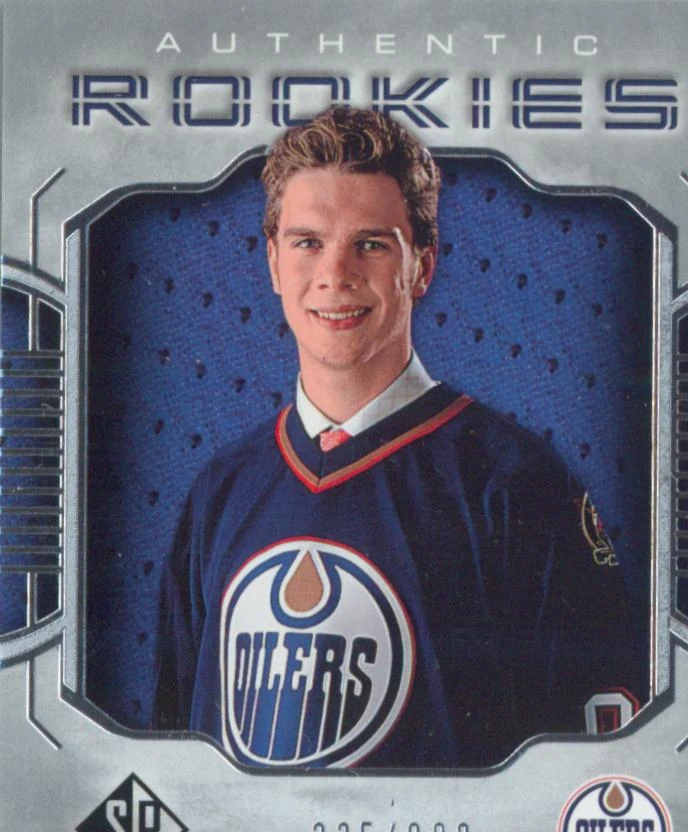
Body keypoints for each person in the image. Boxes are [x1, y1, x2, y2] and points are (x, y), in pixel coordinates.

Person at [153, 106, 641, 768]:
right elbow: (176, 761)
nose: (335, 273)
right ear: (272, 263)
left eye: (371, 244)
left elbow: (597, 767)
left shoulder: (516, 485)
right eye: (307, 242)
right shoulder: (221, 489)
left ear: (422, 266)